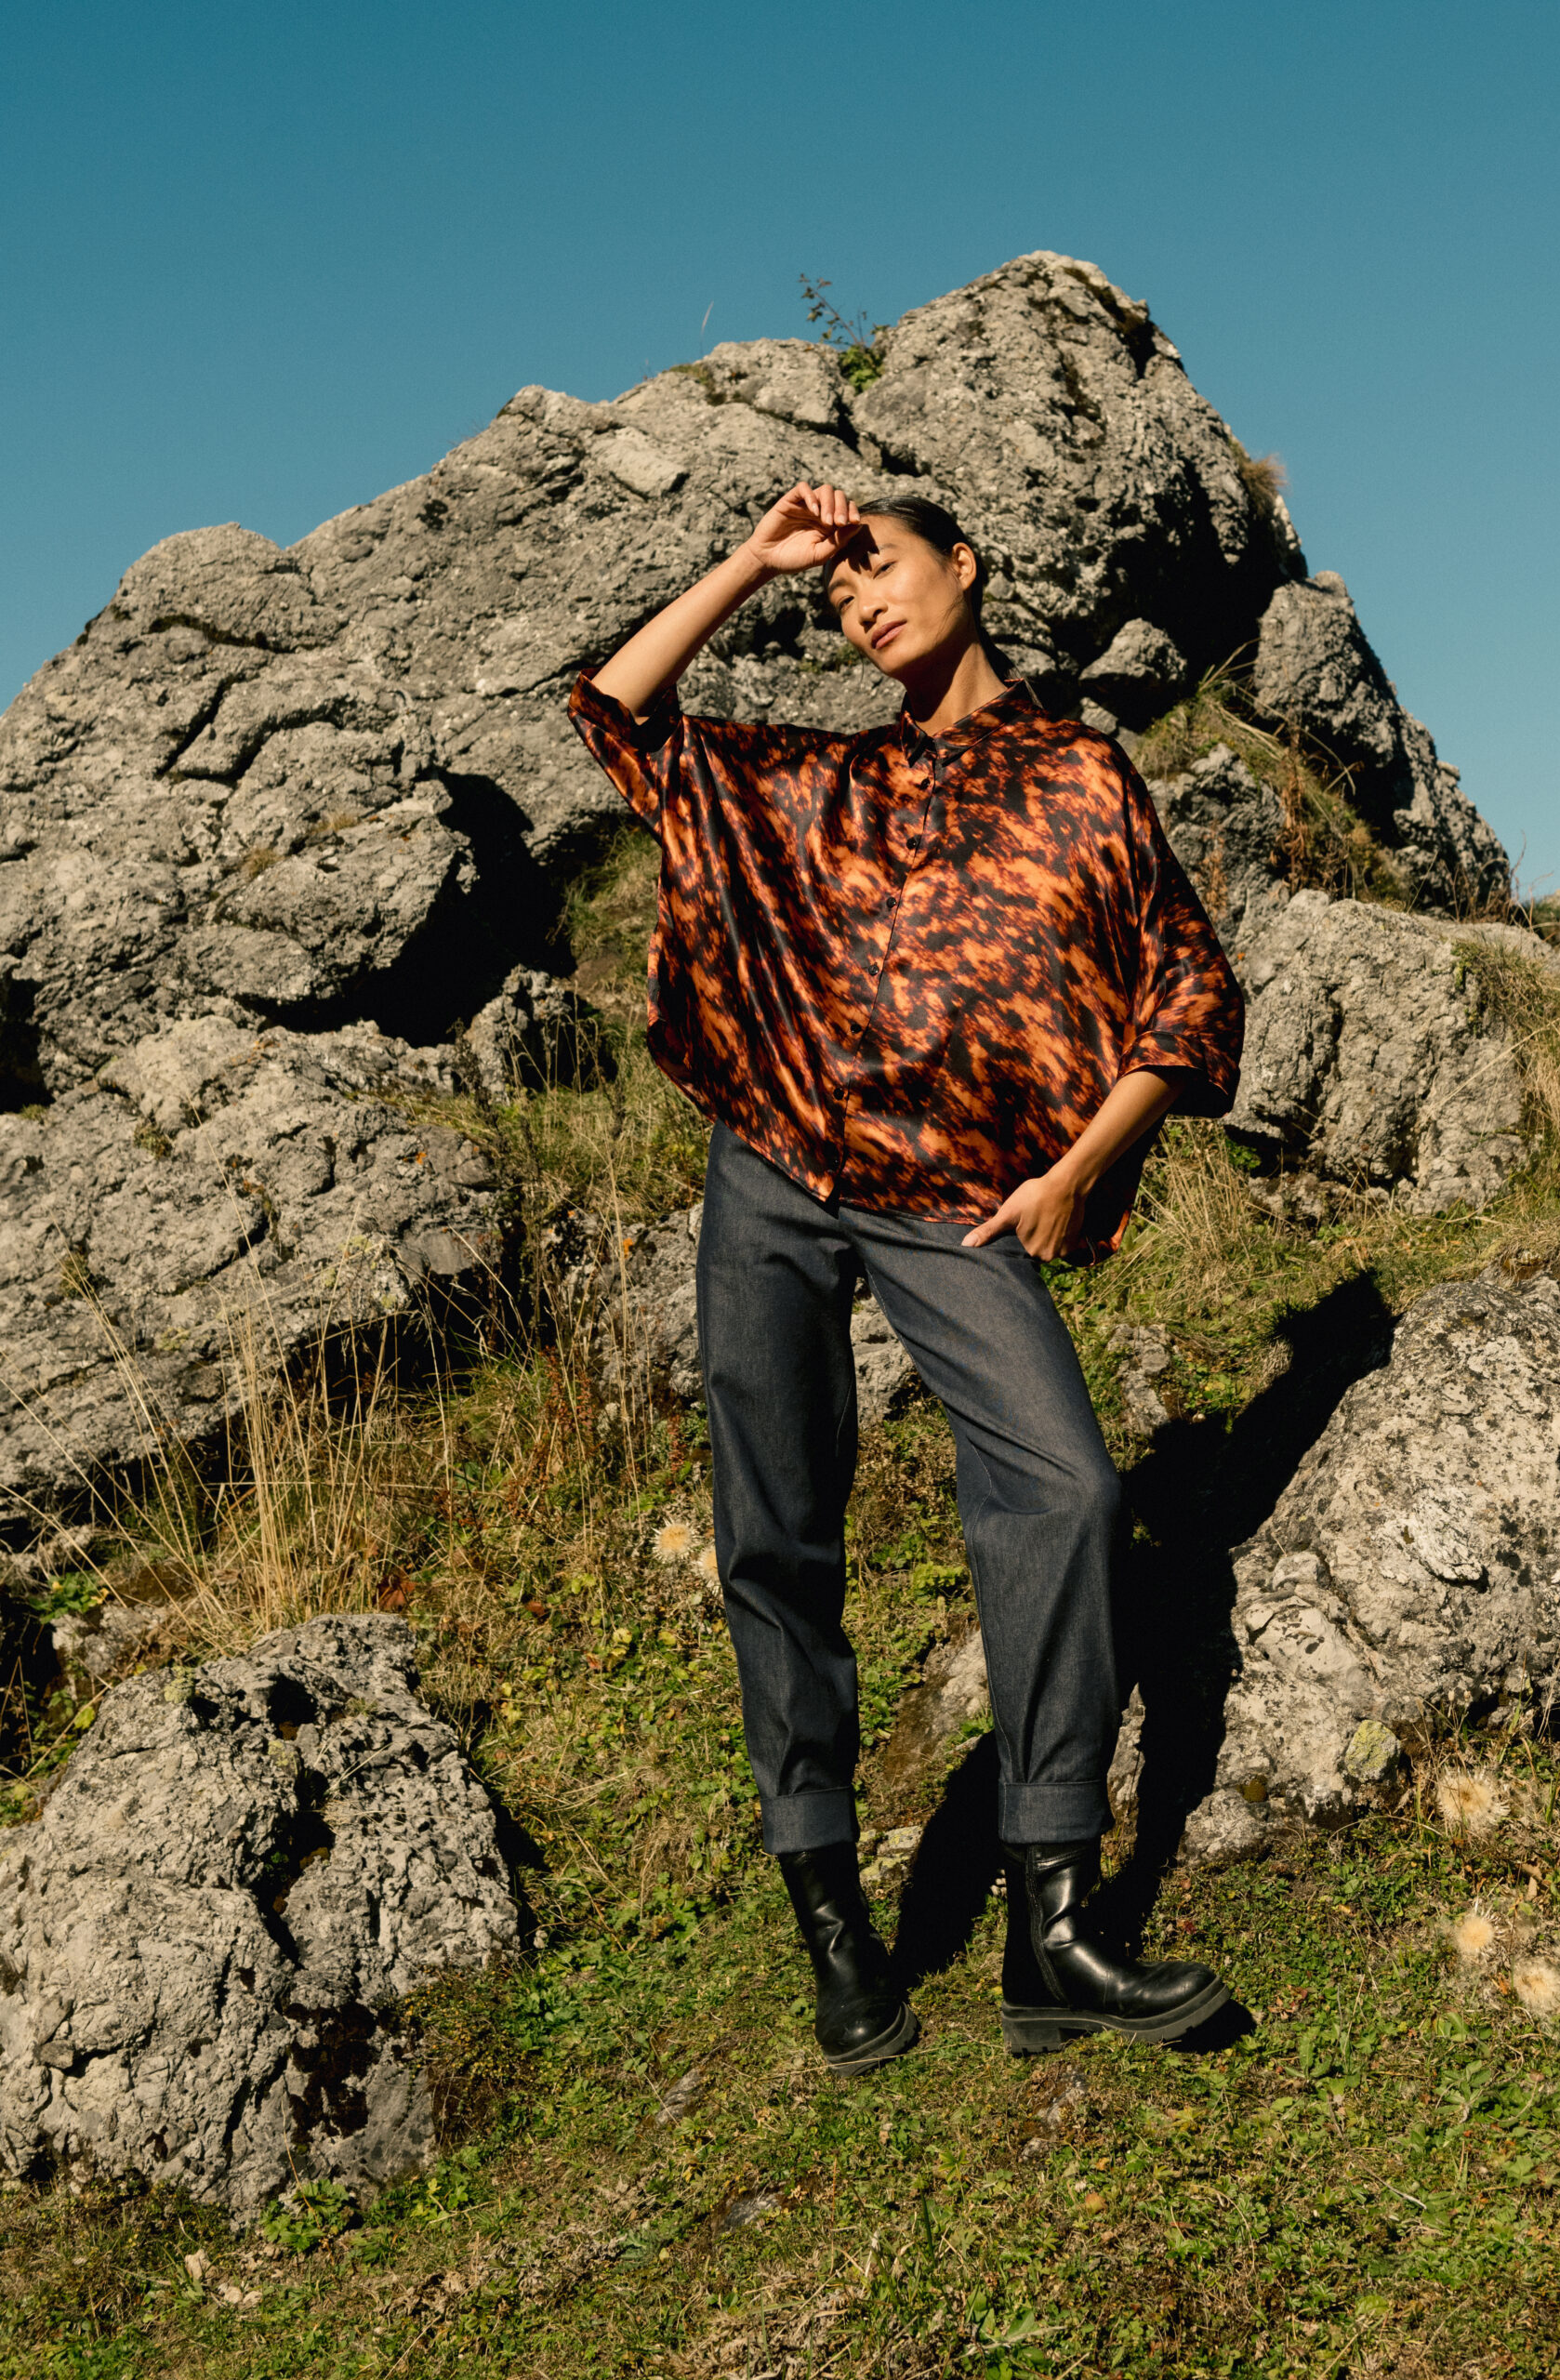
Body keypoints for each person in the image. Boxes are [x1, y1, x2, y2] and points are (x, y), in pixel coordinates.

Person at [568, 482, 1244, 2073]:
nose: (862, 601)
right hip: (774, 1169)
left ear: (967, 564)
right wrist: (756, 561)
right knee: (777, 1528)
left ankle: (1052, 1925)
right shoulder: (819, 779)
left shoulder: (1079, 775)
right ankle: (831, 1917)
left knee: (1065, 1489)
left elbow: (1191, 989)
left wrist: (1076, 1168)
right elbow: (615, 711)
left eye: (879, 566)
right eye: (840, 594)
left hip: (955, 1198)